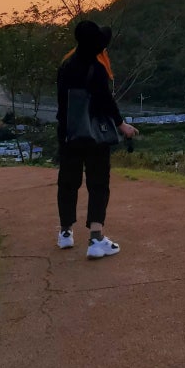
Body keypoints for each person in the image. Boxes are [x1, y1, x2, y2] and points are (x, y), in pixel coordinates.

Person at [56, 20, 137, 259]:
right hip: (95, 135)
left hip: (69, 133)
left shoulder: (66, 65)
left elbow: (63, 104)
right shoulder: (97, 68)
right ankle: (96, 238)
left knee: (68, 182)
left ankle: (65, 233)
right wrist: (122, 125)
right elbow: (105, 101)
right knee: (98, 183)